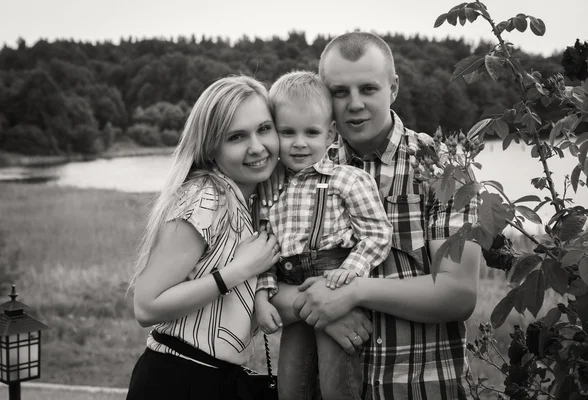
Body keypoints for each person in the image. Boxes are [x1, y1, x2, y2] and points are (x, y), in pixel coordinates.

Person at [266, 32, 482, 399]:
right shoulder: (298, 169)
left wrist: (353, 293)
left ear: (393, 87)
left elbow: (457, 293)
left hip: (419, 388)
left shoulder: (441, 167)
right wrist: (318, 308)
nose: (354, 104)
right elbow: (268, 278)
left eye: (368, 89)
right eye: (339, 92)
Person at [125, 75, 282, 400]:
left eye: (264, 129)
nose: (257, 146)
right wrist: (239, 270)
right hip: (177, 380)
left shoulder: (251, 201)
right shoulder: (206, 197)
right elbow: (146, 306)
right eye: (237, 136)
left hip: (217, 379)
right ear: (211, 147)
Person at [254, 71, 392, 400]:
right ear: (274, 132)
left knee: (337, 386)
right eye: (287, 132)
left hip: (335, 287)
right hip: (291, 287)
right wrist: (262, 295)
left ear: (330, 133)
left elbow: (377, 233)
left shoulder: (348, 180)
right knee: (290, 386)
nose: (299, 142)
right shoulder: (270, 190)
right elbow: (264, 251)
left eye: (311, 132)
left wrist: (352, 270)